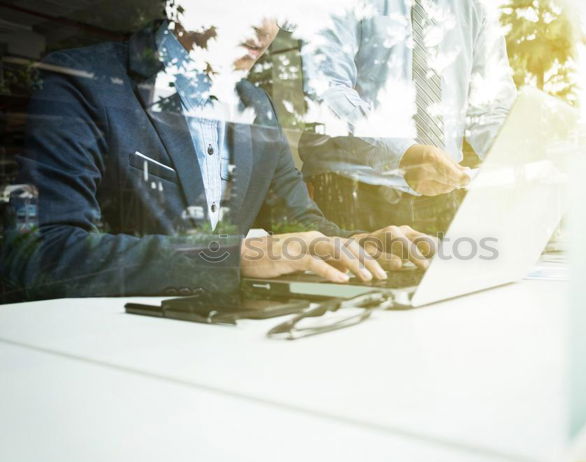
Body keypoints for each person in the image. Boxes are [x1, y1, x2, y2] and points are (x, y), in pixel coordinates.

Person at [1, 7, 435, 301]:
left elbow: (300, 223)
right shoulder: (82, 82)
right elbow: (38, 255)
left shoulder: (258, 104)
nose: (265, 27)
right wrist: (238, 256)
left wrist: (357, 246)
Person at [300, 0, 517, 233]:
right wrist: (403, 154)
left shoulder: (474, 6)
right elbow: (327, 91)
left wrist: (521, 157)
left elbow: (490, 107)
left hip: (444, 194)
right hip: (351, 191)